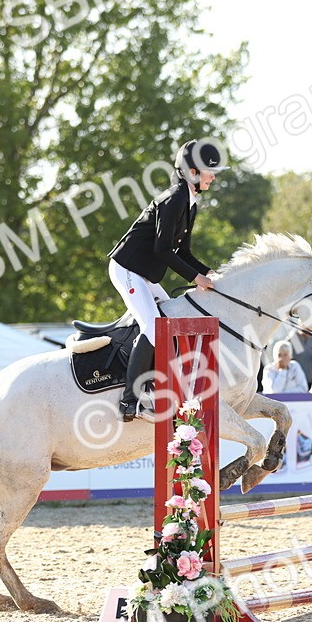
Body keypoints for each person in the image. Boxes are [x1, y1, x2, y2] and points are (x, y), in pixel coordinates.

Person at [107, 139, 227, 421]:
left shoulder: (190, 203)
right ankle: (129, 401)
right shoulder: (174, 199)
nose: (213, 176)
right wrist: (196, 277)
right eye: (210, 171)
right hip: (127, 268)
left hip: (143, 272)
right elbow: (162, 249)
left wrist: (210, 274)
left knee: (171, 318)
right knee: (154, 326)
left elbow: (183, 252)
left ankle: (154, 381)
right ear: (192, 172)